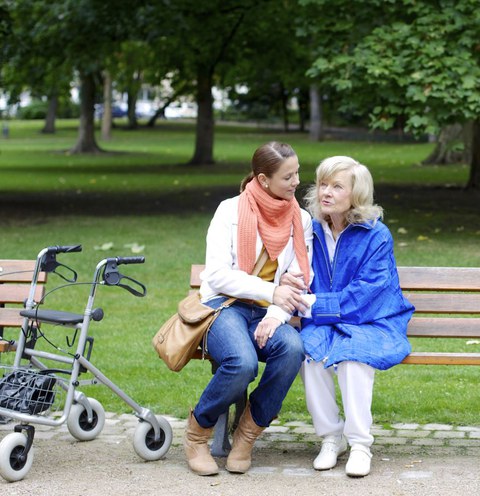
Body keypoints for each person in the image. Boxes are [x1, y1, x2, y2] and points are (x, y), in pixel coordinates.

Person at [184, 141, 312, 476]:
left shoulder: (302, 219)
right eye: (289, 176)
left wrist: (274, 316)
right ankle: (198, 433)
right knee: (241, 363)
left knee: (292, 348)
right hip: (224, 306)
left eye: (297, 172)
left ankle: (246, 435)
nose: (297, 181)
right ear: (263, 179)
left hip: (269, 311)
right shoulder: (229, 210)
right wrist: (271, 292)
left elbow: (296, 281)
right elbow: (218, 275)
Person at [296, 156, 414, 477]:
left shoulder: (376, 235)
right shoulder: (312, 230)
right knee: (308, 351)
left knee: (352, 357)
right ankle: (331, 437)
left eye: (337, 186)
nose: (326, 192)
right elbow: (298, 274)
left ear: (356, 193)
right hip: (325, 320)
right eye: (323, 184)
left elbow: (366, 294)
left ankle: (360, 444)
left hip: (372, 319)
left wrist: (310, 306)